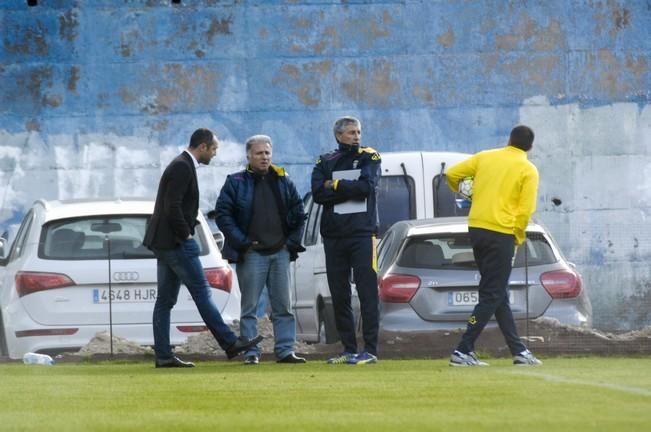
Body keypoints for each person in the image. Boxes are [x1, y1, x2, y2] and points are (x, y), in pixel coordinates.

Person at [143, 128, 263, 368]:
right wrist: (186, 234)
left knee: (165, 301)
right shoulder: (182, 167)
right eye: (214, 149)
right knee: (201, 292)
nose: (215, 154)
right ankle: (230, 343)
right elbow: (172, 206)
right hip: (177, 243)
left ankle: (164, 356)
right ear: (202, 147)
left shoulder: (181, 164)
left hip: (165, 242)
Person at [445, 125, 543, 366]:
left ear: (508, 140)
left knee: (497, 293)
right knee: (492, 293)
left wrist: (470, 193)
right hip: (502, 233)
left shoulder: (485, 156)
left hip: (477, 228)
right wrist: (517, 236)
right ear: (530, 146)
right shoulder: (528, 169)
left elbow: (451, 174)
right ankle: (462, 350)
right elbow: (525, 210)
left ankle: (519, 351)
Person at [215, 134, 307, 365]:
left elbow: (299, 212)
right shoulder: (235, 182)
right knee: (250, 307)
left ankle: (285, 350)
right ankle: (251, 352)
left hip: (280, 253)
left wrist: (290, 243)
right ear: (248, 155)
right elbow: (223, 215)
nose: (264, 157)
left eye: (267, 153)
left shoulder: (283, 180)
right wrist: (243, 242)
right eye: (259, 153)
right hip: (252, 254)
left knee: (283, 307)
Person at [311, 116, 381, 365]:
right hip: (334, 236)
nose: (357, 136)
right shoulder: (325, 160)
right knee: (339, 295)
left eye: (359, 132)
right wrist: (344, 187)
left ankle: (370, 349)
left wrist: (337, 184)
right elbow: (318, 193)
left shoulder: (369, 156)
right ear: (338, 135)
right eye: (351, 132)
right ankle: (349, 349)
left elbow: (366, 187)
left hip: (363, 235)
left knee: (367, 292)